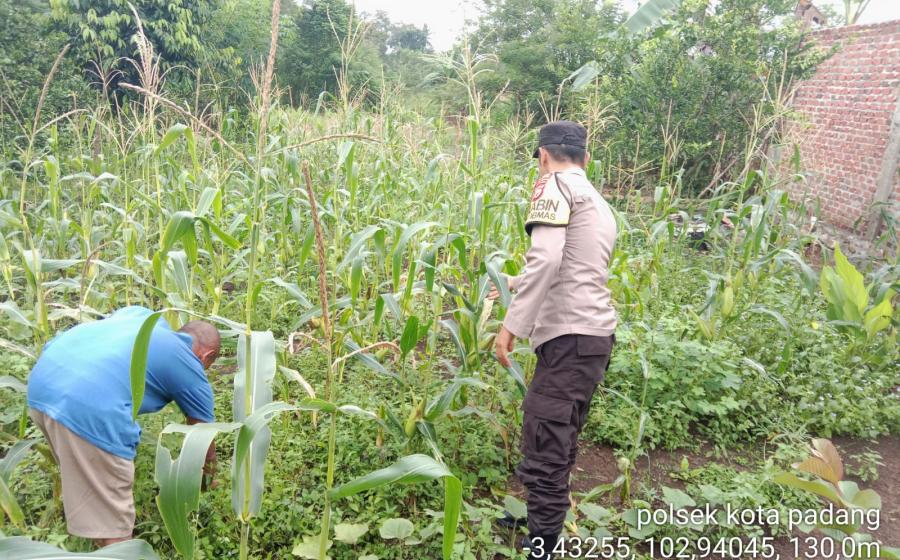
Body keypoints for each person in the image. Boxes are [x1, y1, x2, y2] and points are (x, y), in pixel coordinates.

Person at [493, 120, 617, 559]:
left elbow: (546, 260)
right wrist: (512, 282)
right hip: (594, 338)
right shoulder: (597, 200)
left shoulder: (553, 186)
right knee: (559, 435)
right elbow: (575, 267)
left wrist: (510, 326)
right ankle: (541, 518)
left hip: (569, 337)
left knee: (545, 437)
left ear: (544, 156)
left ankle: (542, 544)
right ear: (586, 158)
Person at [26, 306, 221, 547]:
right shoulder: (188, 361)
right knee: (115, 520)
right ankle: (115, 548)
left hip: (43, 384)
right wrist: (207, 481)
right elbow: (203, 435)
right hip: (88, 406)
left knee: (96, 490)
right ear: (206, 356)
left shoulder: (141, 316)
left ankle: (101, 543)